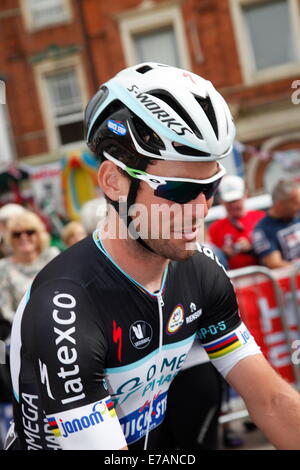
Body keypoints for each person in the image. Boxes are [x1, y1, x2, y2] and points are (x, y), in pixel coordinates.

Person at [6, 63, 300, 451]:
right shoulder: (64, 309)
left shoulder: (201, 272)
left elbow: (273, 402)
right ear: (113, 182)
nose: (200, 208)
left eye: (209, 186)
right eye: (179, 189)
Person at [0, 210, 60, 329]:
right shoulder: (3, 267)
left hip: (60, 322)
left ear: (38, 235)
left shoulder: (52, 256)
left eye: (29, 232)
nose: (23, 237)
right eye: (17, 234)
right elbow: (6, 309)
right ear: (10, 239)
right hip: (24, 329)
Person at [208, 175, 265, 270]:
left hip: (264, 275)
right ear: (221, 200)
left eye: (236, 200)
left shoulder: (261, 218)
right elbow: (212, 261)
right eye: (229, 201)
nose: (233, 205)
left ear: (245, 194)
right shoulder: (215, 228)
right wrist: (223, 254)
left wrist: (251, 249)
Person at [252, 179, 300, 268]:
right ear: (279, 205)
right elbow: (274, 263)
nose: (299, 207)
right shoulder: (263, 229)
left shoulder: (297, 215)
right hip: (291, 279)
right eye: (296, 203)